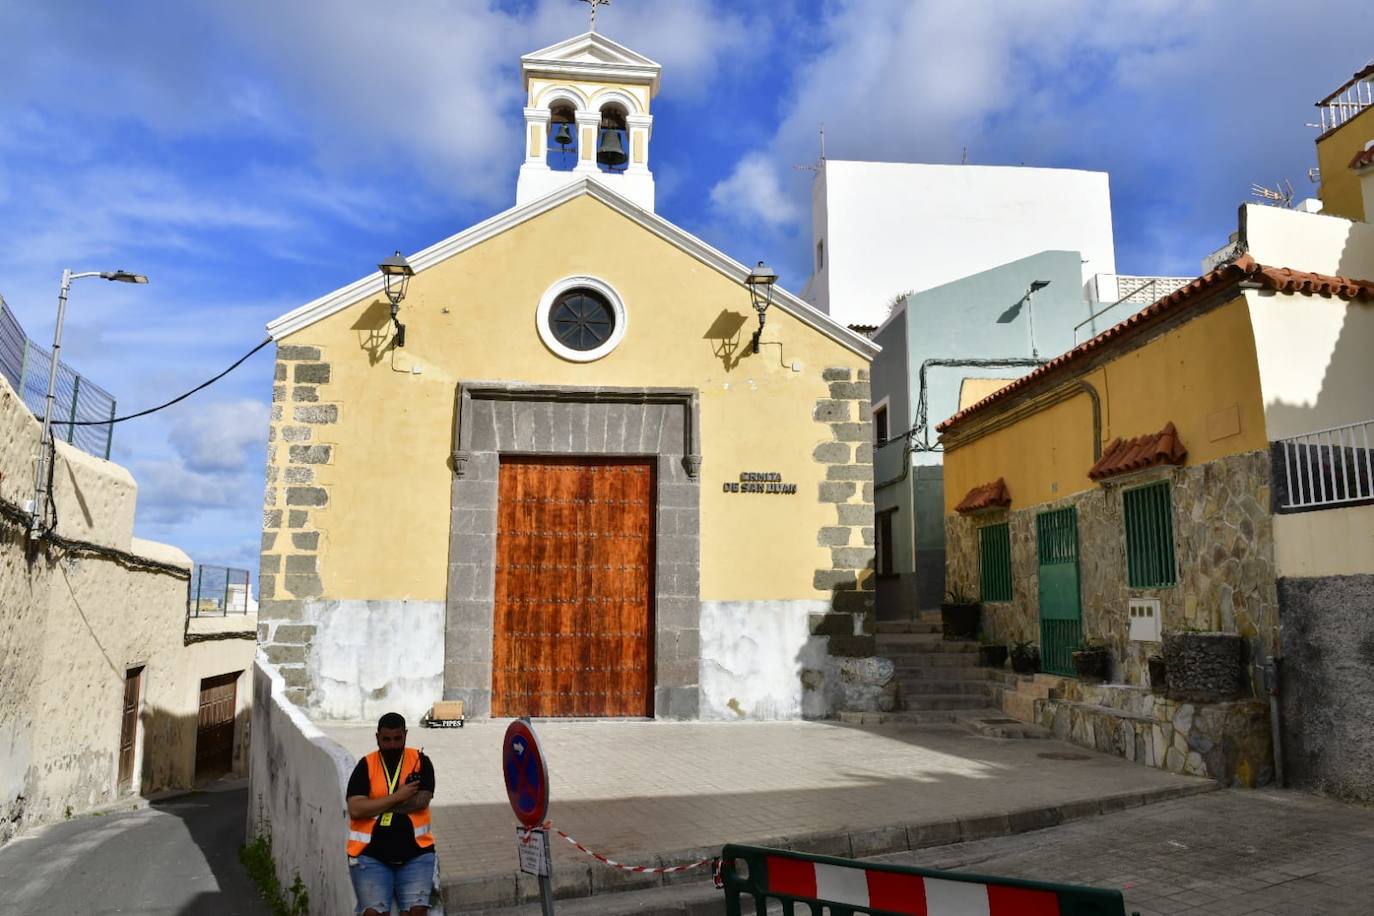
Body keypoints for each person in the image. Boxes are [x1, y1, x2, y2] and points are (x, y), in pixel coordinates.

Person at [346, 712, 436, 916]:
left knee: (417, 912)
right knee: (373, 914)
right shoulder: (366, 764)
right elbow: (356, 809)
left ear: (405, 735)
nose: (393, 745)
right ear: (377, 737)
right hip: (370, 856)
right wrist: (399, 796)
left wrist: (376, 805)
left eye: (398, 738)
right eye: (386, 739)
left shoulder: (420, 761)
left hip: (417, 855)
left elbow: (421, 801)